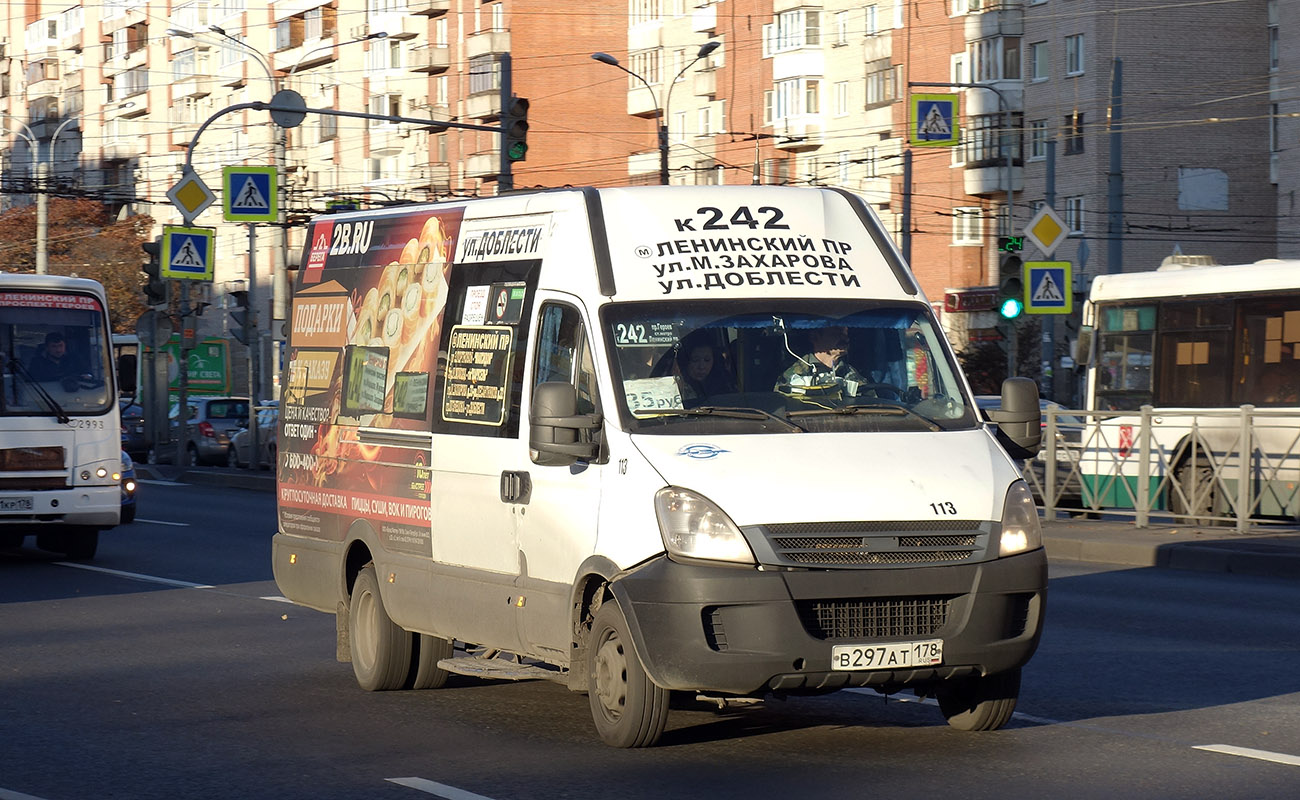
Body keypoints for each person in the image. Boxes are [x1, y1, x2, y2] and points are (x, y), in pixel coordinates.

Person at [776, 326, 869, 393]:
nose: (845, 338)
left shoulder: (853, 374)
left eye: (845, 333)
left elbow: (871, 404)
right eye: (837, 333)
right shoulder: (793, 376)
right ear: (814, 336)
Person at [27, 332, 91, 385]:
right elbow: (31, 383)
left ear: (65, 345)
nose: (58, 350)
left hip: (76, 396)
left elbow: (89, 375)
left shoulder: (75, 360)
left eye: (61, 345)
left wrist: (84, 377)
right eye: (54, 346)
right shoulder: (37, 363)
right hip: (47, 396)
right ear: (47, 348)